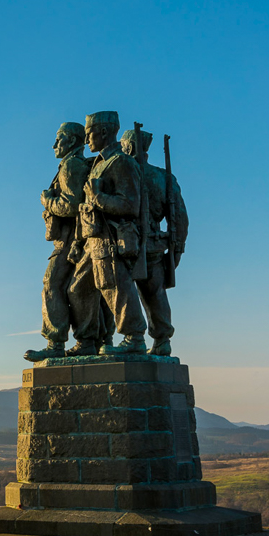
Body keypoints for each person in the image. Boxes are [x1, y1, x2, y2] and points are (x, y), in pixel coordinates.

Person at [74, 111, 148, 355]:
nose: (87, 140)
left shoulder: (121, 162)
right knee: (79, 289)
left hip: (111, 238)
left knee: (116, 286)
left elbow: (130, 205)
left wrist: (99, 198)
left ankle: (134, 338)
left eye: (89, 133)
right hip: (92, 238)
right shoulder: (99, 163)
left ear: (104, 132)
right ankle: (86, 341)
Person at [25, 122, 92, 362]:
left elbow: (72, 205)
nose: (54, 144)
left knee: (52, 283)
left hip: (70, 240)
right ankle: (87, 341)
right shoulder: (74, 164)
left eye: (59, 139)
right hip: (76, 239)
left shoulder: (71, 165)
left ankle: (55, 343)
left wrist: (48, 202)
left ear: (73, 141)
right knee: (78, 290)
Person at [120, 128, 189, 356]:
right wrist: (177, 249)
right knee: (155, 293)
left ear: (129, 147)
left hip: (128, 245)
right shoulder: (163, 177)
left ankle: (132, 338)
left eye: (123, 147)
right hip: (155, 245)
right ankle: (162, 339)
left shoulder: (124, 173)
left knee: (122, 290)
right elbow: (179, 219)